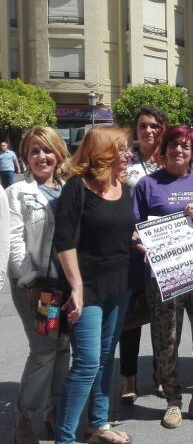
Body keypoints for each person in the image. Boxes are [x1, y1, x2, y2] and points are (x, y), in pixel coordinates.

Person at [132, 125, 193, 429]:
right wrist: (141, 245)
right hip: (165, 277)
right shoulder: (147, 185)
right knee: (166, 339)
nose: (179, 150)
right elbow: (135, 231)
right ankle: (173, 401)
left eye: (186, 146)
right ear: (165, 149)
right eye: (173, 144)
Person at [54, 126, 135, 444]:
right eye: (123, 149)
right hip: (85, 287)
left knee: (104, 357)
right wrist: (75, 288)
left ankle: (98, 425)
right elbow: (65, 242)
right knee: (87, 363)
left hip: (121, 283)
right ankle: (65, 438)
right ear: (104, 153)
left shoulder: (122, 186)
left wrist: (139, 240)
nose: (129, 155)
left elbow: (118, 232)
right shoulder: (76, 188)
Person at [6, 127, 71, 443]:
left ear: (58, 153)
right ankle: (27, 417)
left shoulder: (71, 188)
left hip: (67, 285)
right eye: (34, 151)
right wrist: (30, 281)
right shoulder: (17, 194)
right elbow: (15, 240)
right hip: (38, 286)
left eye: (47, 150)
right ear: (25, 156)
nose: (41, 157)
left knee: (62, 346)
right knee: (45, 348)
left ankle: (52, 410)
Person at [120, 106, 170, 404]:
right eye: (142, 126)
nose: (149, 131)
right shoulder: (126, 163)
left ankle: (161, 374)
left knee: (163, 319)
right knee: (131, 318)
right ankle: (128, 378)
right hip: (132, 251)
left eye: (154, 125)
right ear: (136, 130)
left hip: (166, 251)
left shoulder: (172, 160)